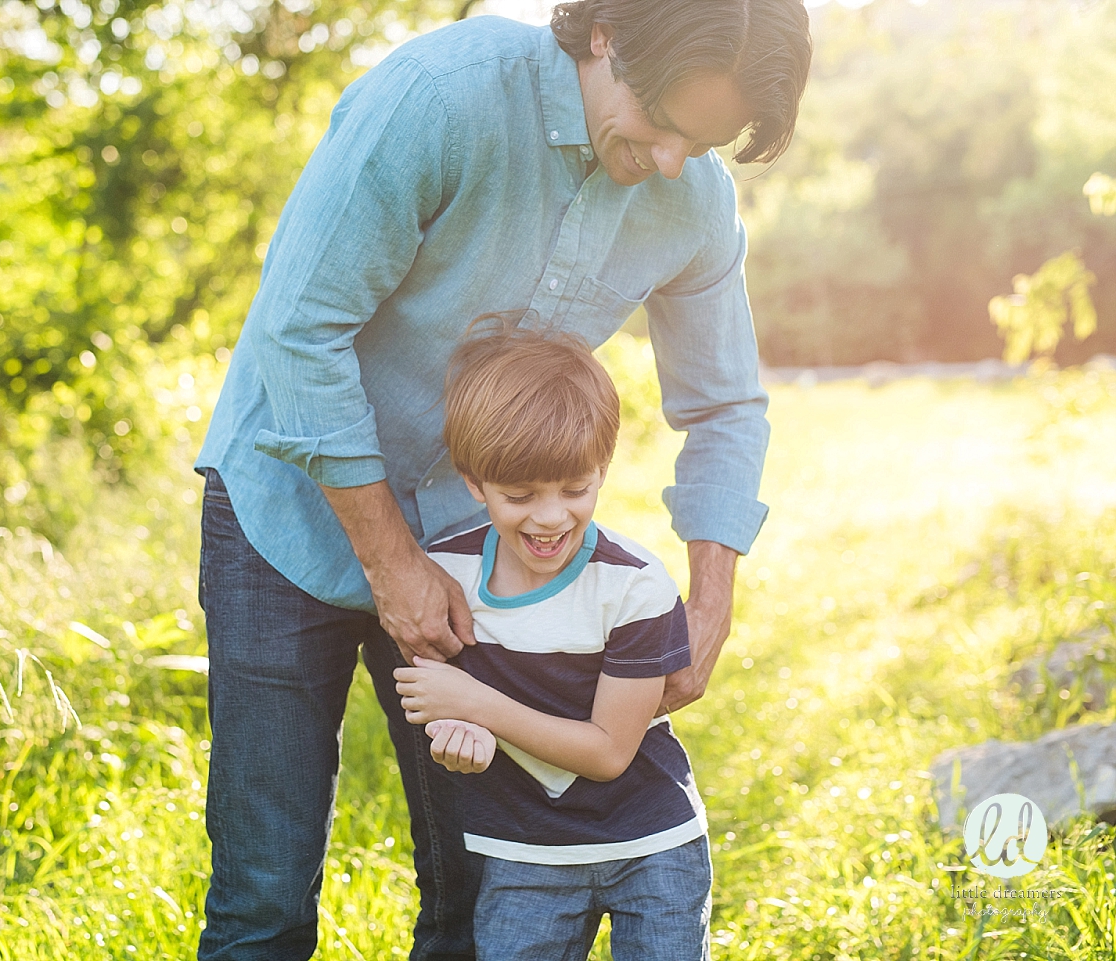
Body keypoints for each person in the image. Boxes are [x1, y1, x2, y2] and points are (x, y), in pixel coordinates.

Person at [193, 1, 811, 957]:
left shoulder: (693, 197)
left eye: (706, 139)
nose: (675, 160)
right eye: (661, 121)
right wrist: (395, 564)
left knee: (486, 884)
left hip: (485, 556)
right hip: (285, 510)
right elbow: (298, 330)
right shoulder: (440, 99)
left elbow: (725, 406)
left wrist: (711, 603)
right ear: (606, 34)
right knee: (264, 892)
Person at [394, 321, 707, 960]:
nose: (549, 516)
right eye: (519, 495)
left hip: (649, 845)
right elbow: (443, 706)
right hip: (522, 851)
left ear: (602, 469)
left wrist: (479, 707)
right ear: (473, 482)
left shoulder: (633, 586)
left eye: (575, 489)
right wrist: (464, 741)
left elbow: (608, 753)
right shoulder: (442, 577)